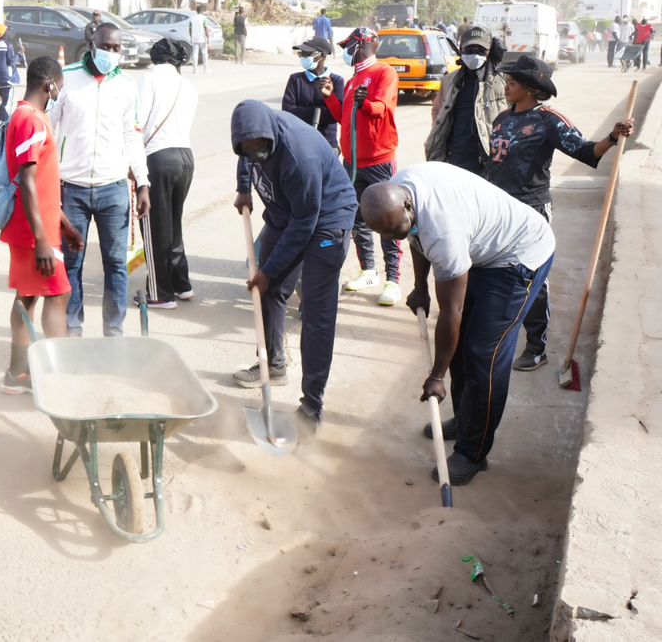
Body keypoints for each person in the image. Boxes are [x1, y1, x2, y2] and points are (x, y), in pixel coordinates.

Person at [361, 163, 555, 486]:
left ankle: (472, 451)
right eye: (386, 233)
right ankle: (467, 420)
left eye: (397, 228)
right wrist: (420, 288)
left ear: (408, 206)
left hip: (520, 256)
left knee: (483, 353)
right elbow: (414, 235)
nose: (395, 236)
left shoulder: (443, 230)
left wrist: (436, 376)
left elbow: (452, 311)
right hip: (482, 249)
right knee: (462, 345)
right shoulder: (398, 193)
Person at [483, 56, 634, 371]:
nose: (507, 85)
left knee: (532, 277)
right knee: (496, 272)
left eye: (513, 81)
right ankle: (498, 331)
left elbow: (585, 151)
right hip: (498, 208)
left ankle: (536, 347)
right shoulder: (501, 118)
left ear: (531, 88)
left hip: (531, 210)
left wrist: (613, 137)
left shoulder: (549, 120)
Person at [231, 100, 356, 424]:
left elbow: (305, 222)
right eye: (248, 149)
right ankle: (273, 364)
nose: (255, 155)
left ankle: (311, 405)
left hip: (327, 219)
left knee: (316, 311)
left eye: (261, 150)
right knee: (268, 292)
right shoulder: (252, 139)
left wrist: (269, 269)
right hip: (286, 214)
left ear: (271, 138)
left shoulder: (300, 156)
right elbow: (247, 157)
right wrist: (243, 188)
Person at [53, 22, 151, 337]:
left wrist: (143, 182)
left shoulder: (127, 86)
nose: (111, 53)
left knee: (117, 265)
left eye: (116, 48)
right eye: (105, 46)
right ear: (92, 43)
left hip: (114, 190)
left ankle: (114, 331)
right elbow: (49, 129)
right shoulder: (66, 79)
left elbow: (132, 137)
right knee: (72, 264)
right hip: (73, 191)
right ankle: (73, 328)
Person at [0, 57, 82, 393]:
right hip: (34, 233)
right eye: (59, 86)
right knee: (59, 294)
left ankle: (17, 373)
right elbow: (28, 181)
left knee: (29, 298)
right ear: (48, 83)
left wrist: (63, 224)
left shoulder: (31, 116)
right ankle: (53, 373)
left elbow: (43, 183)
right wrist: (43, 240)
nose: (59, 92)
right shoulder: (29, 120)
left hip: (40, 228)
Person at [322, 26, 402, 306]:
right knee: (356, 218)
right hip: (353, 161)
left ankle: (393, 280)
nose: (346, 52)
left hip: (379, 160)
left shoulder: (384, 73)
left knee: (388, 218)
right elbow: (347, 119)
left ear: (362, 45)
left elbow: (382, 109)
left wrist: (366, 104)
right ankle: (369, 270)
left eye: (349, 46)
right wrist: (332, 98)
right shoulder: (354, 77)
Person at [138, 38, 198, 309]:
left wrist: (134, 167)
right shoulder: (187, 86)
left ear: (155, 57)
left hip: (158, 157)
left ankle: (160, 293)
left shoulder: (149, 79)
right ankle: (181, 283)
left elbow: (137, 123)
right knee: (173, 223)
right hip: (185, 156)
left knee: (154, 227)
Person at [424, 26, 507, 174]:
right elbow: (437, 110)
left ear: (490, 53)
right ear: (460, 50)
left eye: (480, 50)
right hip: (456, 159)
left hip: (489, 162)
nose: (474, 55)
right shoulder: (449, 81)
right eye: (469, 50)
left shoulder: (502, 81)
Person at [282, 36, 343, 151]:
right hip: (300, 143)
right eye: (302, 54)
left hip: (327, 144)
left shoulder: (336, 81)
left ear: (322, 56)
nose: (304, 57)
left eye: (308, 54)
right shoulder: (295, 79)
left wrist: (301, 111)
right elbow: (287, 112)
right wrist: (318, 111)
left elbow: (335, 115)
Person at [0, 22, 22, 131]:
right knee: (7, 104)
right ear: (3, 34)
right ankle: (4, 127)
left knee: (4, 102)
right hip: (7, 79)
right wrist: (20, 54)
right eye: (6, 31)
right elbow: (12, 61)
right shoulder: (8, 45)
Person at [188, 4, 211, 74]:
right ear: (202, 11)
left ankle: (195, 69)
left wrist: (191, 36)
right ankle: (206, 69)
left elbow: (190, 29)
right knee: (204, 53)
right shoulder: (204, 18)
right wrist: (208, 38)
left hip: (194, 38)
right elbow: (206, 28)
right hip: (202, 38)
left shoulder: (192, 18)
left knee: (195, 54)